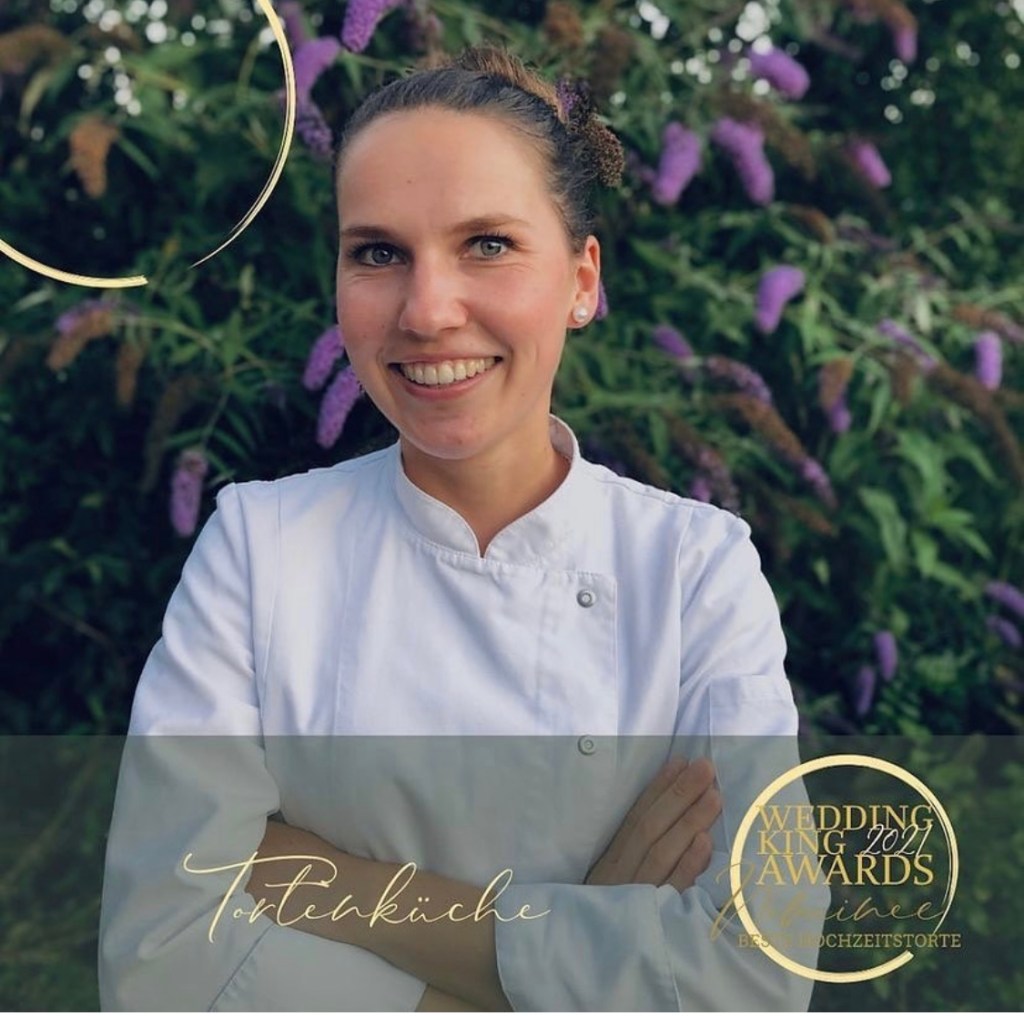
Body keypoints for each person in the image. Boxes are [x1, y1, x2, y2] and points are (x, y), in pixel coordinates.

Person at [98, 44, 823, 1011]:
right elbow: (159, 960)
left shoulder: (695, 570)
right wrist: (574, 948)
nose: (428, 311)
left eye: (487, 244)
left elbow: (757, 968)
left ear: (582, 281)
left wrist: (342, 888)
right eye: (378, 253)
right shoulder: (259, 548)